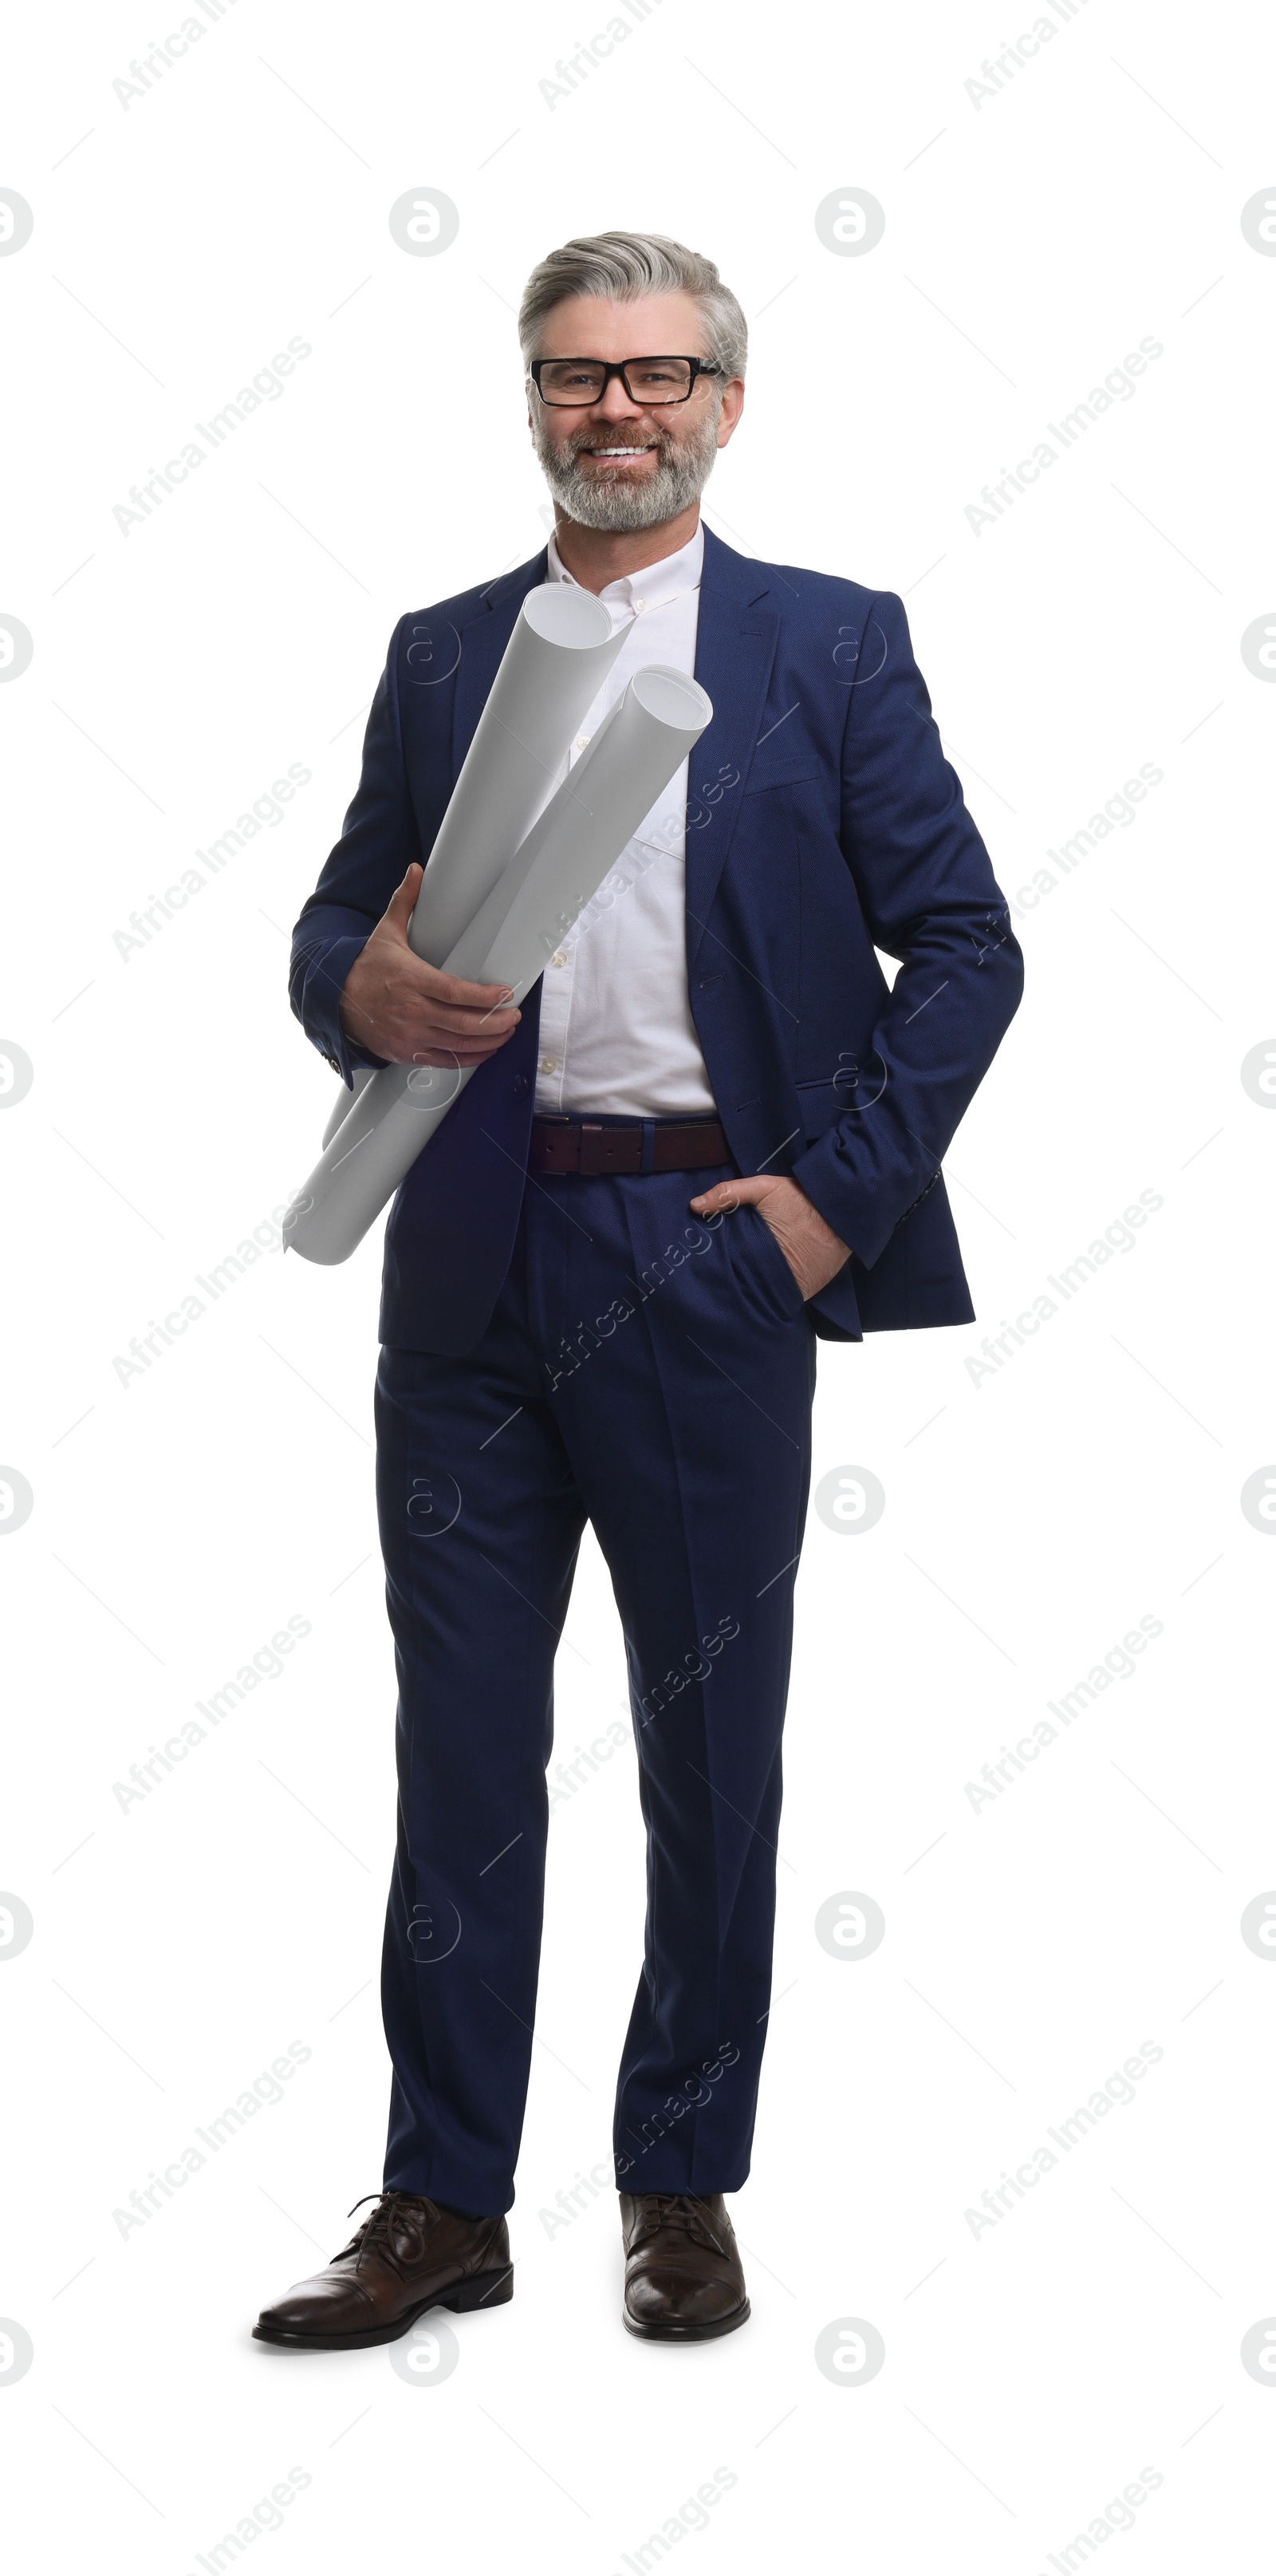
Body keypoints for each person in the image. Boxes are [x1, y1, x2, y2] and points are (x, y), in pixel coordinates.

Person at [254, 230, 1023, 2352]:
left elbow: (966, 948)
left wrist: (823, 1209)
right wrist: (357, 987)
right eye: (580, 376)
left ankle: (677, 2180)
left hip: (704, 1261)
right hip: (474, 1272)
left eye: (660, 375)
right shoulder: (440, 652)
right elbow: (344, 914)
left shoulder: (827, 648)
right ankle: (439, 2201)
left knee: (709, 1745)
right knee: (463, 1754)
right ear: (532, 400)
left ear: (724, 404)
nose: (621, 409)